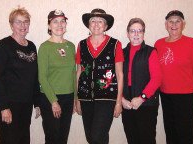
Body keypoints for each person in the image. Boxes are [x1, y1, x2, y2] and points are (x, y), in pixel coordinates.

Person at [0, 7, 40, 144]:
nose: (22, 25)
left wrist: (36, 102)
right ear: (11, 25)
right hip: (9, 105)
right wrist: (3, 107)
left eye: (25, 22)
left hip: (26, 104)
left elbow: (34, 76)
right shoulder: (3, 46)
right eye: (18, 22)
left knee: (24, 139)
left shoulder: (31, 46)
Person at [154, 10, 193, 144]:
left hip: (185, 97)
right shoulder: (158, 44)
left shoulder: (191, 42)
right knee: (170, 132)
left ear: (183, 24)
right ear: (166, 25)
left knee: (185, 134)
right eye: (171, 21)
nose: (174, 24)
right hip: (165, 95)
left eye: (178, 21)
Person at [75, 8, 124, 144]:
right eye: (93, 21)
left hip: (106, 98)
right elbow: (79, 73)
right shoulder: (81, 45)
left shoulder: (115, 45)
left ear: (106, 26)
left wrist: (118, 102)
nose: (96, 24)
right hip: (85, 98)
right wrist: (77, 99)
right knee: (91, 138)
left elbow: (120, 75)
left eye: (100, 21)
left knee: (98, 137)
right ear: (89, 25)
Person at [37, 9, 76, 144]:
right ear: (49, 26)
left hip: (68, 98)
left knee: (63, 138)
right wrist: (54, 101)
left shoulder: (71, 46)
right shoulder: (44, 47)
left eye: (62, 21)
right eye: (55, 22)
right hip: (50, 98)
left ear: (66, 24)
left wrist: (75, 100)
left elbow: (74, 74)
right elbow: (42, 77)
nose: (59, 24)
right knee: (52, 138)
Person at [121, 18, 162, 144]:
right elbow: (116, 79)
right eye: (133, 31)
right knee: (132, 139)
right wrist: (121, 99)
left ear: (144, 33)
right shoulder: (121, 53)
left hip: (147, 105)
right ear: (128, 33)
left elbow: (157, 79)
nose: (136, 34)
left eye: (140, 31)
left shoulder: (151, 52)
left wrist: (141, 98)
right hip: (127, 104)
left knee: (147, 139)